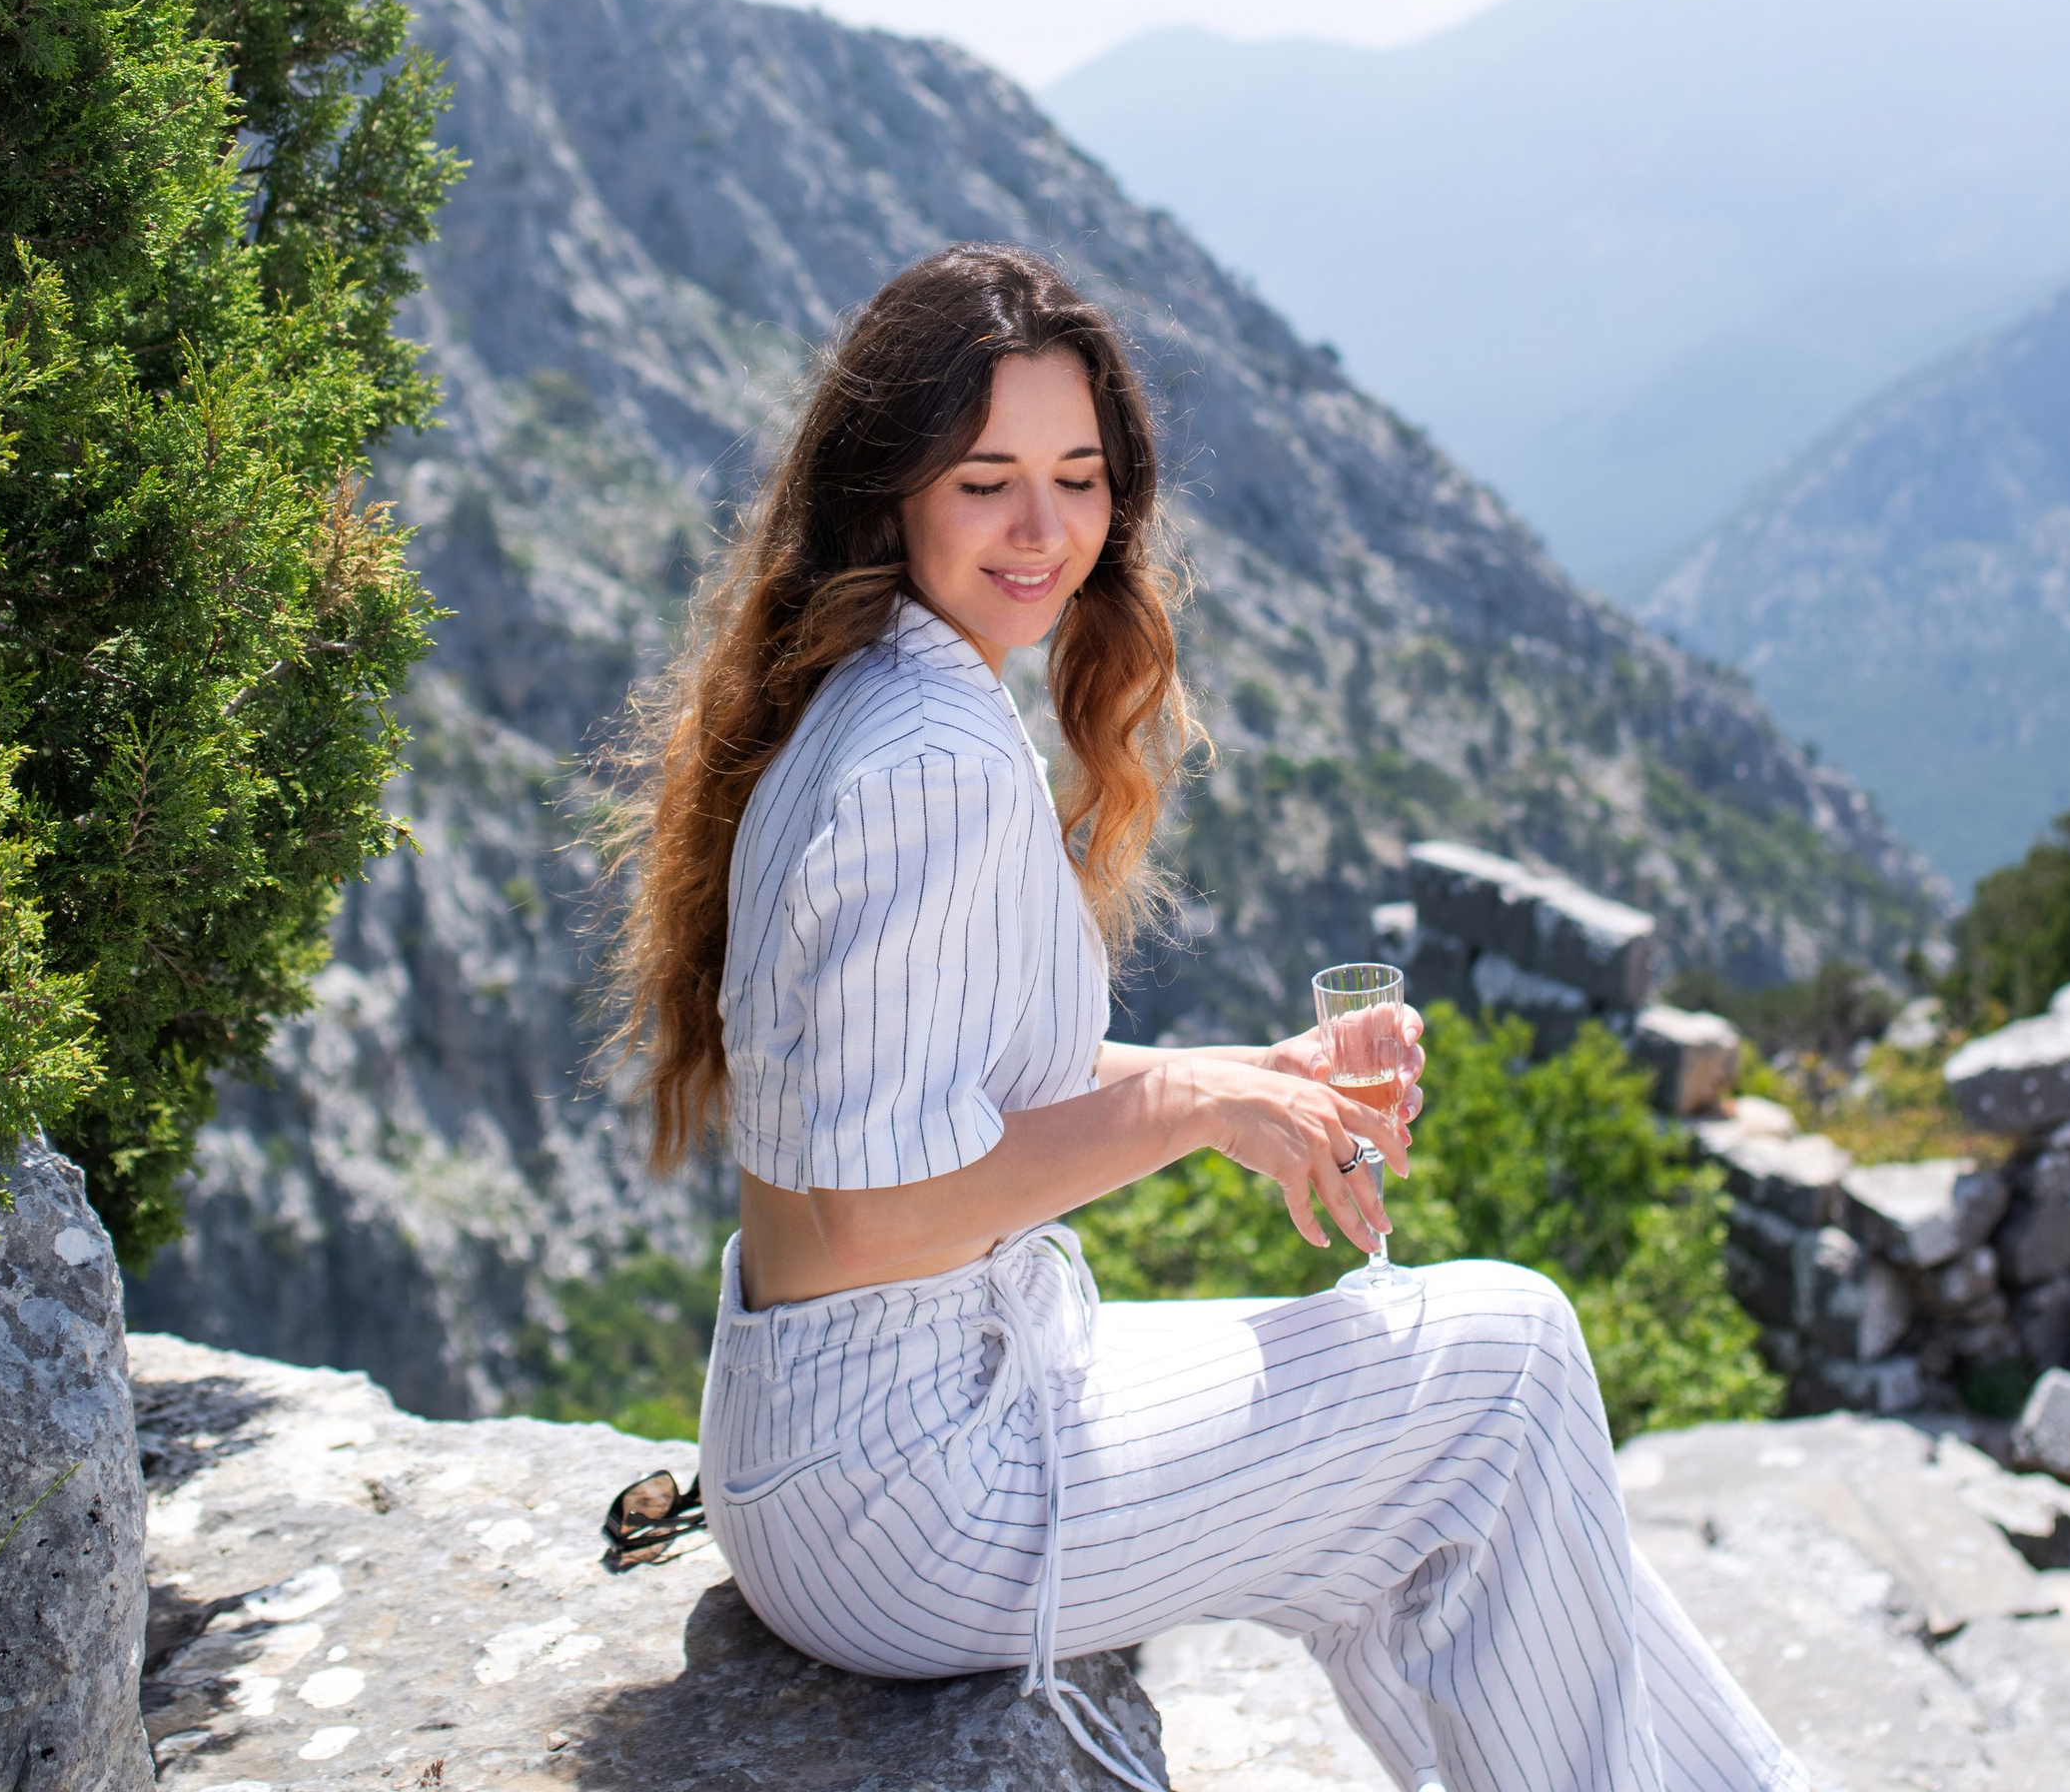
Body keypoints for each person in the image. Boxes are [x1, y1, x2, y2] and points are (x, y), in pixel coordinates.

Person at [611, 244, 1800, 1792]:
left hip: (836, 1446)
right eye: (985, 482)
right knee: (1504, 1361)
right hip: (902, 1494)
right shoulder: (928, 759)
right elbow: (863, 1227)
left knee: (1451, 1439)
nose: (1046, 530)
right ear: (889, 490)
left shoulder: (893, 698)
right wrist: (1191, 1113)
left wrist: (1264, 1081)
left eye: (1079, 476)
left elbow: (964, 1090)